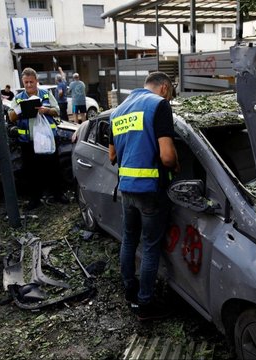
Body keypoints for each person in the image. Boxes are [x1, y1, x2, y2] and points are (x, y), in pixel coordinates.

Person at [108, 71, 179, 321]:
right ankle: (145, 304)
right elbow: (168, 156)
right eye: (169, 94)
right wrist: (176, 166)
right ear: (163, 88)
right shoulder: (158, 106)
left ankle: (130, 290)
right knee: (150, 247)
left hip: (126, 189)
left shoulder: (118, 111)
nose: (169, 99)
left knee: (129, 240)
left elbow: (112, 156)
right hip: (151, 191)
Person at [8, 67, 69, 210]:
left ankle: (58, 194)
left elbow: (57, 111)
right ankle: (35, 199)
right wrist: (21, 108)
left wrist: (46, 110)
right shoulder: (18, 98)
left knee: (53, 168)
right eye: (26, 82)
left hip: (46, 140)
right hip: (28, 142)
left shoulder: (46, 94)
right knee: (31, 172)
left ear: (36, 81)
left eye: (31, 82)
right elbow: (11, 116)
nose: (28, 85)